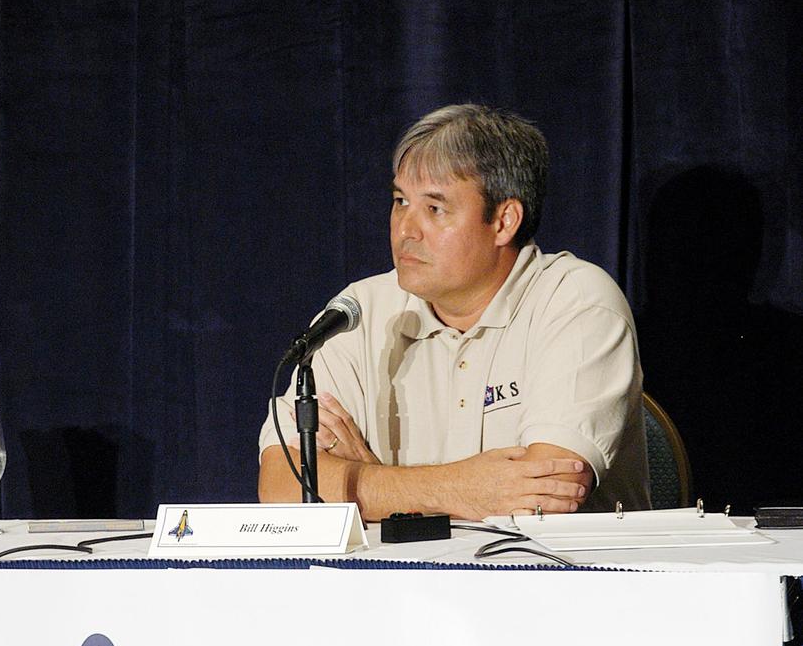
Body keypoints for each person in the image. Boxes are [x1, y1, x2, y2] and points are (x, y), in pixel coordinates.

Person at [258, 103, 649, 520]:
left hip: (556, 578)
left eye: (434, 208)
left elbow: (546, 496)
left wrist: (371, 480)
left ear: (504, 221)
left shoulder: (577, 301)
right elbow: (282, 487)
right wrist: (461, 489)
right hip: (397, 583)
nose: (405, 229)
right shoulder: (360, 312)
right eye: (399, 201)